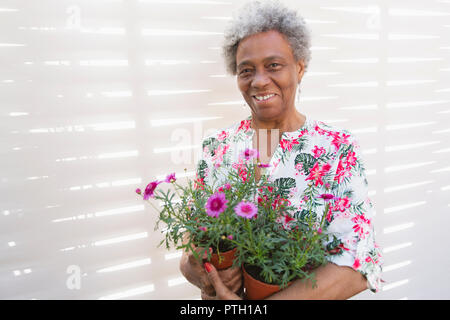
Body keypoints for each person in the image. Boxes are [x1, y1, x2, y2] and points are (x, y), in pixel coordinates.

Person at [179, 0, 383, 300]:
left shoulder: (337, 148)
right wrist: (197, 270)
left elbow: (358, 264)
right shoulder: (217, 147)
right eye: (246, 70)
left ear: (299, 68)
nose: (259, 81)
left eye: (273, 65)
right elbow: (193, 237)